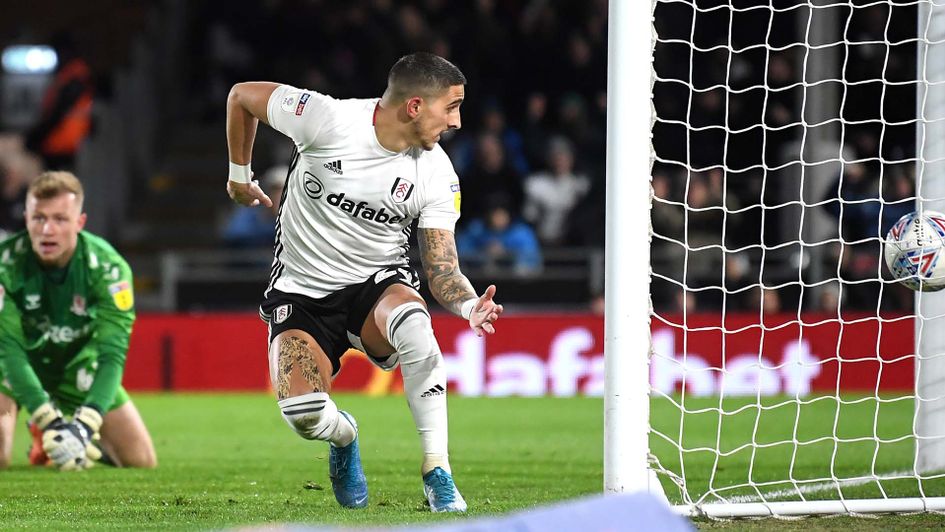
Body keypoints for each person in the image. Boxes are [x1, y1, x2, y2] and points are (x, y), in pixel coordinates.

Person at [225, 52, 503, 512]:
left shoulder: (435, 172)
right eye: (450, 107)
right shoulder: (325, 118)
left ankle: (438, 471)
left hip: (377, 286)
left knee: (415, 325)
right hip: (300, 295)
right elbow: (241, 97)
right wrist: (239, 175)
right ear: (415, 107)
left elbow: (441, 269)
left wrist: (469, 304)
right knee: (304, 416)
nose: (456, 121)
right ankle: (345, 435)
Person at [0, 171, 156, 470]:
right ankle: (43, 428)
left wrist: (85, 425)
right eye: (39, 218)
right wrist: (49, 419)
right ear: (26, 218)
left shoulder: (107, 269)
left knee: (140, 461)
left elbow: (112, 356)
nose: (47, 230)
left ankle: (67, 445)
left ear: (79, 223)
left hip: (76, 365)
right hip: (12, 369)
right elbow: (9, 351)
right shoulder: (5, 264)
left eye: (60, 219)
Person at [24, 33, 94, 172]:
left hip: (66, 144)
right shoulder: (67, 74)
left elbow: (59, 111)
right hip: (61, 143)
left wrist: (35, 138)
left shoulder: (76, 76)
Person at [221, 165, 287, 248]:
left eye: (284, 191)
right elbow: (233, 234)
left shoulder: (300, 216)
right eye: (275, 191)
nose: (279, 196)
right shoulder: (250, 210)